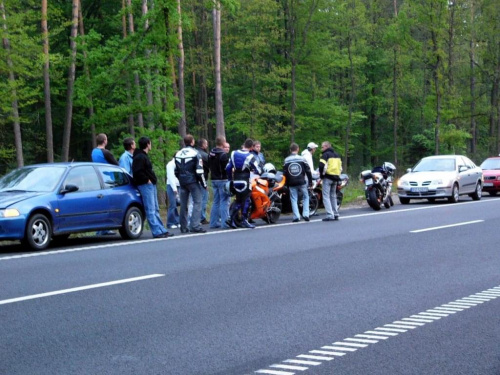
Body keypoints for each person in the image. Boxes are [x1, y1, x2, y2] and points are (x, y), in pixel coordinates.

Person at [132, 136, 173, 238]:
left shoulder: (143, 156)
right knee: (150, 209)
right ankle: (156, 231)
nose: (151, 145)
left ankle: (161, 229)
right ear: (147, 144)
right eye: (150, 143)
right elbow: (138, 172)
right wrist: (147, 180)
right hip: (145, 185)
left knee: (155, 209)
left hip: (150, 185)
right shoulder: (140, 157)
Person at [226, 138, 262, 229]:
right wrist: (253, 170)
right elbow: (258, 170)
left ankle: (230, 218)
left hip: (236, 180)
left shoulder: (234, 153)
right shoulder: (250, 156)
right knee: (246, 200)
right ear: (251, 147)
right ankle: (244, 220)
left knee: (238, 200)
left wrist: (230, 179)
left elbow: (228, 167)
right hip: (245, 180)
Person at [175, 134, 207, 234]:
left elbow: (176, 170)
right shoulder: (196, 153)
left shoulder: (178, 153)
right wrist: (204, 184)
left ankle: (183, 227)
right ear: (192, 142)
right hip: (193, 181)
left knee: (184, 205)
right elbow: (199, 170)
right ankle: (195, 225)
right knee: (198, 202)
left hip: (182, 181)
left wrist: (180, 179)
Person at [91, 133, 118, 235]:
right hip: (107, 179)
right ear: (105, 141)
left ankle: (101, 229)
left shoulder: (94, 152)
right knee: (108, 205)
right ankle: (103, 229)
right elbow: (116, 164)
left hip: (97, 179)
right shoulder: (106, 153)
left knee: (100, 205)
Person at [283, 143, 313, 222]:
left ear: (290, 150)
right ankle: (306, 214)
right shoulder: (302, 159)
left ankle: (296, 216)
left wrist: (286, 183)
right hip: (301, 181)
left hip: (291, 182)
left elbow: (284, 173)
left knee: (293, 199)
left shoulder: (286, 160)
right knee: (306, 197)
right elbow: (308, 170)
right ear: (298, 149)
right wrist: (310, 181)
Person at [208, 135, 230, 229]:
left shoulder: (211, 153)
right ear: (223, 143)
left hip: (213, 179)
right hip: (222, 179)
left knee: (216, 201)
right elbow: (227, 168)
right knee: (224, 201)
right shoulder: (223, 154)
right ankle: (225, 223)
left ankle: (213, 222)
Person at [319, 141, 342, 221]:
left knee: (325, 196)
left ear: (326, 146)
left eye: (322, 147)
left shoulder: (325, 155)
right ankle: (335, 213)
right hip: (335, 177)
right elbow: (340, 167)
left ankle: (330, 214)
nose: (321, 148)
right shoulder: (337, 155)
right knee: (333, 196)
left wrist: (321, 176)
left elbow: (321, 166)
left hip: (327, 177)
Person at [196, 138, 210, 225]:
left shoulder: (195, 153)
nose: (207, 145)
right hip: (202, 178)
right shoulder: (204, 155)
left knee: (196, 200)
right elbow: (209, 166)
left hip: (195, 179)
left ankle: (198, 217)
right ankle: (202, 217)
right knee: (203, 198)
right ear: (203, 145)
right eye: (206, 144)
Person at [166, 156, 180, 229]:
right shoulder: (170, 165)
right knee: (172, 205)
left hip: (178, 185)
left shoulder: (179, 164)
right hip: (171, 186)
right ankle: (170, 222)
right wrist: (174, 188)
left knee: (176, 204)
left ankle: (176, 221)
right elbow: (171, 177)